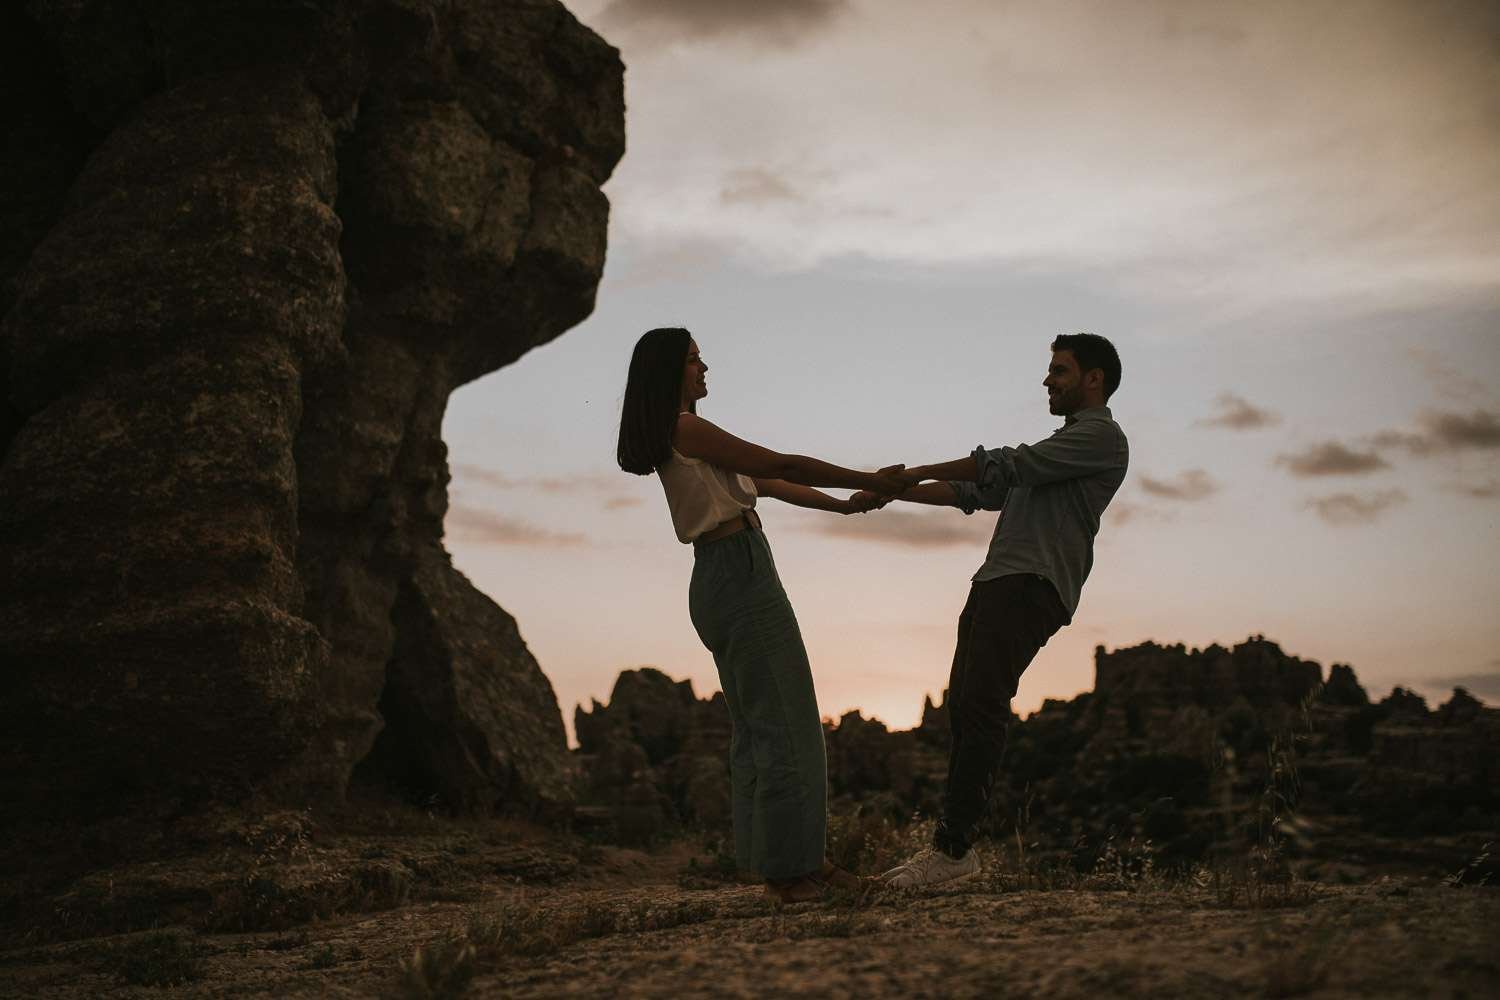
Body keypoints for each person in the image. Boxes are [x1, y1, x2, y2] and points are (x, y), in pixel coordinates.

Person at [616, 327, 907, 903]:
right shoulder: (685, 427)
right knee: (787, 723)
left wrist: (844, 506)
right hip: (736, 569)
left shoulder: (685, 438)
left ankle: (793, 866)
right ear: (669, 370)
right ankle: (794, 874)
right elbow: (783, 463)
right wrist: (869, 478)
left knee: (761, 727)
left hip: (727, 570)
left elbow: (767, 483)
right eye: (694, 359)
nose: (705, 368)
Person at [860, 332, 1129, 890]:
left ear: (1094, 379)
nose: (1047, 380)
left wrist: (913, 471)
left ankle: (954, 850)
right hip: (997, 581)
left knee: (981, 704)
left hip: (1031, 584)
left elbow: (1007, 464)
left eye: (1059, 370)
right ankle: (952, 849)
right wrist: (890, 491)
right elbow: (975, 492)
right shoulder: (1061, 447)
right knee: (964, 706)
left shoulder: (1101, 438)